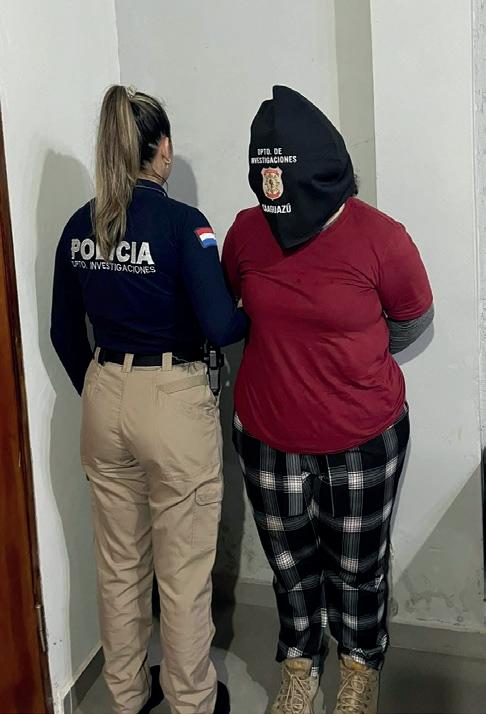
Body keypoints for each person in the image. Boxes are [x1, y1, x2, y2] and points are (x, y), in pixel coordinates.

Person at [222, 86, 433, 714]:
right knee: (290, 564)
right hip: (267, 438)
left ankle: (359, 665)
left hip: (362, 440)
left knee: (358, 565)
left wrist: (345, 368)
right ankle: (300, 661)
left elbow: (411, 320)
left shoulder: (382, 239)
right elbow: (237, 305)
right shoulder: (247, 231)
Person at [51, 85, 247, 714]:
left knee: (119, 568)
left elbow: (63, 331)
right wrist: (252, 303)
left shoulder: (79, 226)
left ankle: (129, 697)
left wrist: (103, 387)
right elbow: (220, 325)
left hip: (104, 395)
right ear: (162, 149)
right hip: (171, 399)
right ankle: (191, 700)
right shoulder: (185, 223)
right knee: (182, 572)